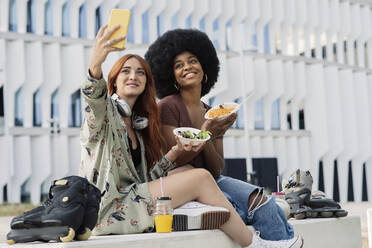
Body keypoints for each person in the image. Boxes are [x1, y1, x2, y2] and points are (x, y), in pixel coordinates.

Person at [79, 24, 303, 248]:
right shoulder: (104, 118)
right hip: (109, 209)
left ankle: (196, 207)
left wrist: (177, 151)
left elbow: (148, 178)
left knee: (209, 179)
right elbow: (93, 98)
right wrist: (96, 63)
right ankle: (254, 244)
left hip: (133, 198)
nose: (133, 76)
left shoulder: (139, 126)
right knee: (201, 178)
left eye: (140, 72)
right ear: (114, 81)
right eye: (125, 71)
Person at [145, 28, 297, 242]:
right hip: (181, 181)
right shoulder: (167, 107)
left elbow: (216, 168)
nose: (187, 66)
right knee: (234, 208)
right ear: (173, 77)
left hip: (212, 179)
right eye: (179, 65)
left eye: (192, 61)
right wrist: (207, 133)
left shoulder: (214, 111)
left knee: (264, 202)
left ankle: (284, 244)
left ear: (204, 68)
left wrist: (215, 133)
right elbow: (175, 160)